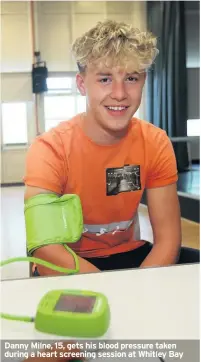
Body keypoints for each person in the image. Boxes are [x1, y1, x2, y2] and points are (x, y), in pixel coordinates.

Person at [23, 20, 199, 277]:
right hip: (69, 260)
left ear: (143, 81)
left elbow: (168, 240)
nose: (119, 93)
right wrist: (111, 291)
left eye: (131, 78)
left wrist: (136, 289)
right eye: (105, 79)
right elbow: (46, 249)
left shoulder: (155, 143)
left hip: (128, 256)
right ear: (82, 84)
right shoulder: (50, 149)